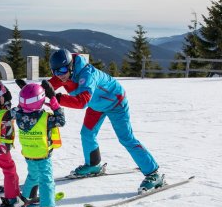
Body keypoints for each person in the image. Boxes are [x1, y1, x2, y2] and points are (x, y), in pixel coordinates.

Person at [47, 49, 165, 193]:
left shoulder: (87, 74)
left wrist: (57, 98)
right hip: (97, 106)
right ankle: (93, 165)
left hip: (116, 103)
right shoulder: (61, 75)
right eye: (56, 72)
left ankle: (154, 174)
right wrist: (29, 92)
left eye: (64, 70)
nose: (60, 75)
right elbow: (46, 87)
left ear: (71, 66)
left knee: (126, 138)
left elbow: (82, 102)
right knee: (87, 134)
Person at [14, 81, 68, 207]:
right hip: (43, 155)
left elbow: (22, 107)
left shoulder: (17, 114)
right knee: (46, 181)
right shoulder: (46, 118)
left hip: (28, 153)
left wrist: (26, 90)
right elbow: (61, 120)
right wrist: (53, 98)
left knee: (33, 175)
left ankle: (25, 198)